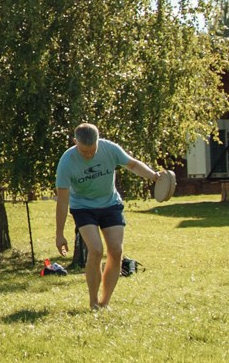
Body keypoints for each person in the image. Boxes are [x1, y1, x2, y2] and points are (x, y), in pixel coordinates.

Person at [52, 123, 162, 312]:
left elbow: (133, 164)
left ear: (98, 142)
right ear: (75, 142)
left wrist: (154, 176)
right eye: (84, 151)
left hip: (110, 204)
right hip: (83, 207)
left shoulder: (109, 149)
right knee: (95, 249)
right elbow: (62, 201)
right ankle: (93, 302)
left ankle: (105, 303)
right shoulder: (67, 161)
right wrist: (59, 234)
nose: (89, 155)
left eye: (92, 150)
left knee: (116, 251)